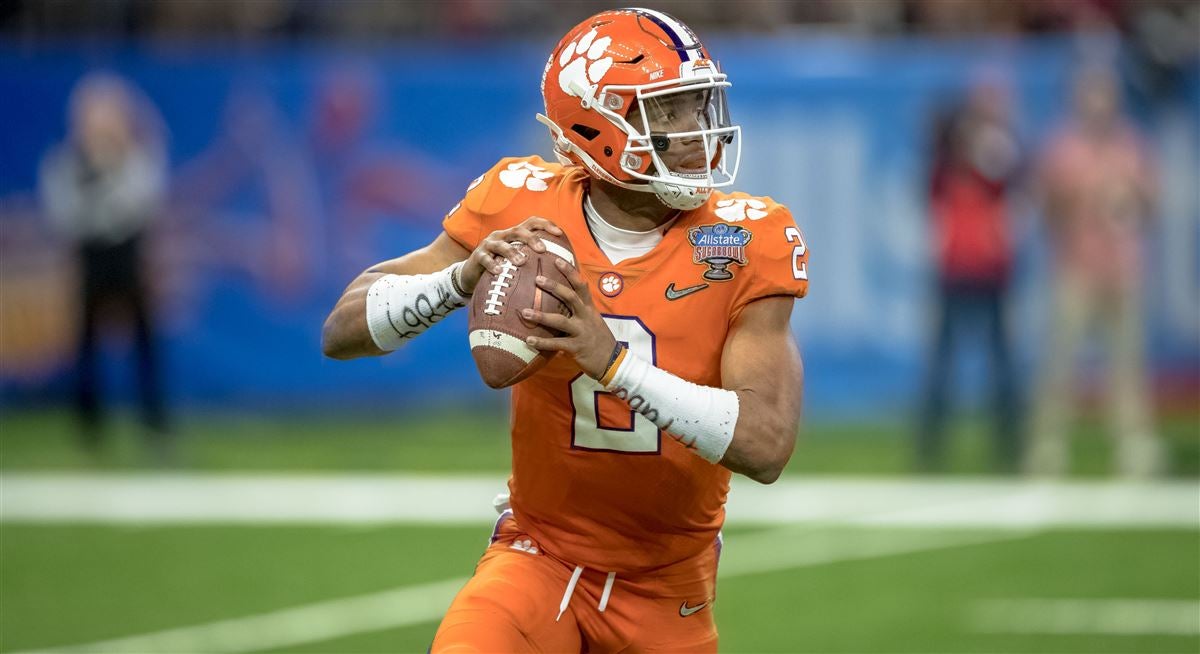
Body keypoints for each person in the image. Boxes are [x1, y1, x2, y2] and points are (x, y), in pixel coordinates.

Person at [322, 8, 808, 651]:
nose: (698, 131)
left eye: (699, 104)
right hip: (537, 557)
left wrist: (611, 362)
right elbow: (342, 329)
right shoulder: (518, 200)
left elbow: (766, 443)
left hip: (669, 586)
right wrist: (460, 279)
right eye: (668, 112)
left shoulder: (748, 239)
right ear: (595, 124)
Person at [1027, 65, 1164, 478]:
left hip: (1123, 269)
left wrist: (1131, 202)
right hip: (1077, 268)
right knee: (1060, 363)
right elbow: (1047, 208)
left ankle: (1133, 446)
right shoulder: (1063, 150)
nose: (1098, 107)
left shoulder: (1131, 147)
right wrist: (1076, 212)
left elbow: (1151, 207)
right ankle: (1048, 446)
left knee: (1128, 365)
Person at [39, 73, 170, 454]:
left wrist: (107, 174)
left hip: (129, 260)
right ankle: (89, 428)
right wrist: (101, 194)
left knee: (145, 346)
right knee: (86, 347)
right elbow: (65, 214)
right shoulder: (65, 163)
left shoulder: (134, 159)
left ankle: (154, 424)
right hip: (91, 261)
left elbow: (139, 203)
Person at [917, 79, 1022, 473]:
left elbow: (1006, 184)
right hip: (956, 271)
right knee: (944, 365)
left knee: (1001, 364)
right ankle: (931, 446)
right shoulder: (946, 166)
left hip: (991, 272)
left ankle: (1009, 444)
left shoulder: (997, 154)